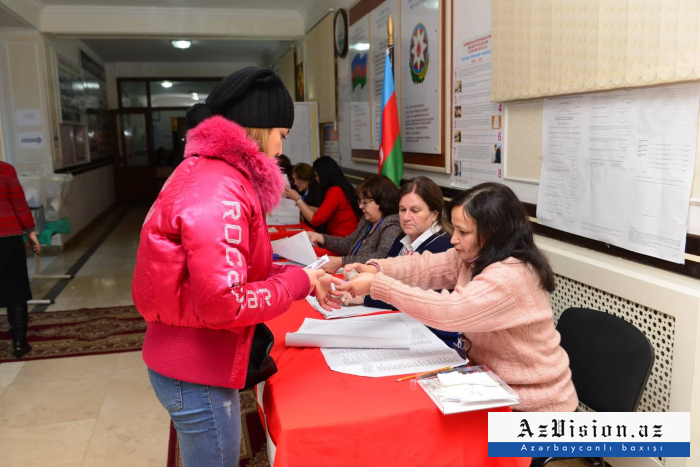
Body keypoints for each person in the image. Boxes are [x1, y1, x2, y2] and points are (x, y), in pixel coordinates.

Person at [132, 67, 337, 467]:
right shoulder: (220, 187)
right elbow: (224, 302)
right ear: (259, 130)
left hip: (190, 359)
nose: (280, 150)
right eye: (281, 135)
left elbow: (239, 274)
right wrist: (296, 283)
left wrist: (307, 279)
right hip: (196, 369)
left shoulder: (208, 174)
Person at [333, 182, 578, 412]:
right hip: (492, 386)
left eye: (463, 231)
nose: (453, 239)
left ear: (494, 233)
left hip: (533, 406)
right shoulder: (475, 257)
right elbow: (423, 268)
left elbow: (450, 312)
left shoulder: (511, 275)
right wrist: (377, 269)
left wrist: (380, 285)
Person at [341, 177, 461, 348]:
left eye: (415, 210)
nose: (406, 217)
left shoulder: (443, 244)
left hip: (429, 335)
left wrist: (366, 297)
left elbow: (416, 292)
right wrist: (371, 270)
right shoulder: (402, 237)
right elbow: (394, 269)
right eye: (402, 209)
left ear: (434, 214)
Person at [308, 174, 402, 274]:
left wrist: (342, 261)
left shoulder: (392, 225)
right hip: (352, 274)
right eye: (360, 201)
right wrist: (320, 237)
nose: (361, 206)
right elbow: (349, 243)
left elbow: (381, 258)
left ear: (382, 201)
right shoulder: (367, 220)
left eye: (365, 202)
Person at [0, 161, 40, 358]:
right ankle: (18, 342)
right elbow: (18, 202)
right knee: (15, 288)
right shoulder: (5, 170)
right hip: (8, 236)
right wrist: (30, 230)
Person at [292, 156, 359, 237]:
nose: (316, 179)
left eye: (316, 176)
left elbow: (316, 221)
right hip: (342, 236)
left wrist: (297, 199)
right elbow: (324, 211)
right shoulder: (341, 187)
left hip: (342, 238)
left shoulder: (335, 191)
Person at [285, 162, 324, 231]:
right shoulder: (303, 190)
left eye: (298, 179)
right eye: (294, 179)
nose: (295, 183)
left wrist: (299, 202)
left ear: (307, 177)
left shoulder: (317, 191)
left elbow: (321, 211)